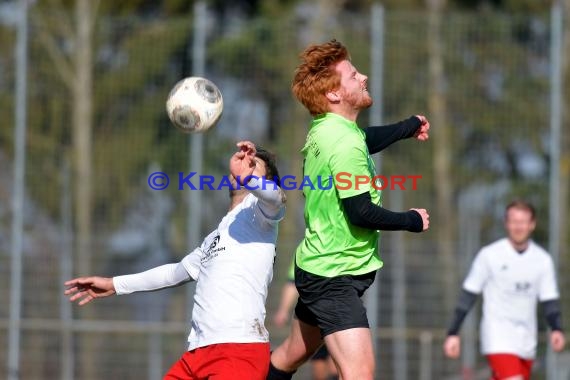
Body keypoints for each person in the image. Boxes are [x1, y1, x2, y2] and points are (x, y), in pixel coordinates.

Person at [267, 39, 430, 380]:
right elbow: (361, 212)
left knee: (288, 357)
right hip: (333, 278)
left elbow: (363, 139)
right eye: (354, 75)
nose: (364, 77)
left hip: (317, 265)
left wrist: (407, 127)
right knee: (360, 373)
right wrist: (411, 220)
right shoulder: (343, 144)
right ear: (334, 95)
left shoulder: (327, 130)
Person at [65, 141, 286, 380]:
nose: (246, 168)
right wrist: (114, 284)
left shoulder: (262, 217)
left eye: (254, 165)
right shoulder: (217, 234)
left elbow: (276, 199)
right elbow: (174, 273)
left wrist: (249, 178)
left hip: (238, 350)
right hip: (197, 353)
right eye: (244, 164)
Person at [443, 200, 566, 380]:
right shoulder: (489, 255)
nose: (518, 227)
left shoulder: (542, 260)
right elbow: (468, 295)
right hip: (497, 337)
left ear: (532, 224)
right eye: (514, 221)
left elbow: (549, 299)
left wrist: (556, 328)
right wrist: (453, 333)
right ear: (506, 223)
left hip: (526, 340)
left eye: (523, 222)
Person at [272, 259, 339, 380]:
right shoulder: (307, 251)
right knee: (318, 362)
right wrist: (283, 310)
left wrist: (283, 311)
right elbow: (293, 282)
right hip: (318, 306)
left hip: (341, 307)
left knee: (340, 363)